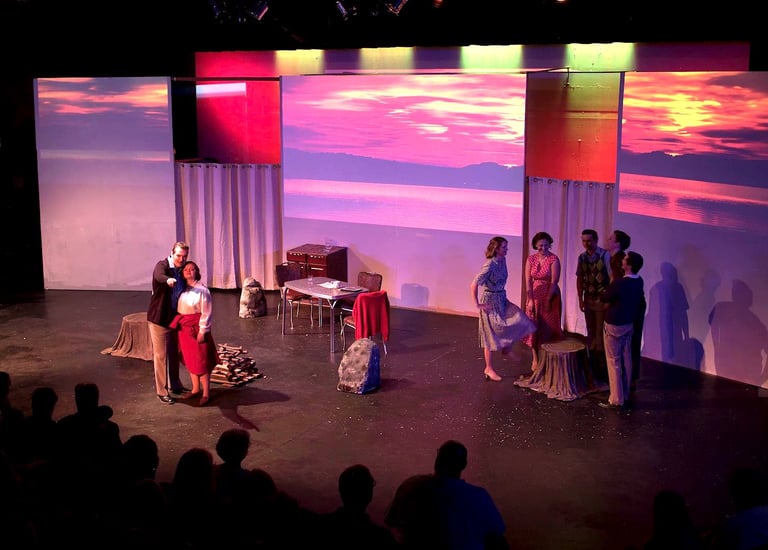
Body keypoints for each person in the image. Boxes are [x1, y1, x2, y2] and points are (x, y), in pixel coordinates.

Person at [385, 440, 507, 549]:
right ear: (464, 464)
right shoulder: (479, 496)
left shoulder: (412, 485)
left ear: (438, 459)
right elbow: (497, 532)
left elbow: (391, 520)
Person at [470, 236, 536, 382]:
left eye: (506, 247)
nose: (506, 250)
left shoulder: (503, 260)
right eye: (504, 247)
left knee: (519, 318)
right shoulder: (489, 265)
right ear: (496, 249)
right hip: (490, 302)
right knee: (490, 335)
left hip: (501, 298)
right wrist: (478, 304)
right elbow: (474, 284)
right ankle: (488, 368)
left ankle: (507, 348)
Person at [598, 251, 645, 409]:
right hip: (628, 323)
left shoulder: (620, 283)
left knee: (614, 361)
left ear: (629, 265)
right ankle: (624, 393)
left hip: (614, 324)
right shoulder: (639, 281)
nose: (622, 261)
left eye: (625, 260)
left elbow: (605, 297)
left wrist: (606, 288)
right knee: (626, 359)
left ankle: (616, 399)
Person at [147, 241, 191, 405]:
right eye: (179, 255)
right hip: (159, 318)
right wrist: (168, 280)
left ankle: (176, 385)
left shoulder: (183, 268)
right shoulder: (162, 265)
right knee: (160, 355)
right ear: (172, 253)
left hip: (174, 318)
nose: (181, 259)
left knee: (174, 353)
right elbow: (159, 276)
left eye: (184, 256)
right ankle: (162, 391)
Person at [171, 260, 219, 406]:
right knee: (190, 359)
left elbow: (206, 312)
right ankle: (195, 389)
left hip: (196, 328)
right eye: (186, 269)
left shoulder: (202, 290)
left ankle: (206, 393)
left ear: (197, 272)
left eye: (192, 269)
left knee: (202, 361)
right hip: (184, 329)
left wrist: (203, 331)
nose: (188, 271)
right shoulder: (182, 289)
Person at [318, 464, 399, 549]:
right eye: (371, 484)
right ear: (368, 492)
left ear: (341, 490)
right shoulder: (382, 537)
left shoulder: (319, 525)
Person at [605, 229, 646, 387]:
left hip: (630, 307)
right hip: (631, 305)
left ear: (617, 243)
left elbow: (618, 285)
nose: (607, 240)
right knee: (628, 345)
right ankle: (628, 379)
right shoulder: (615, 258)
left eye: (610, 238)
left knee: (629, 344)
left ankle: (626, 380)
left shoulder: (620, 260)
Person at [522, 231, 563, 371]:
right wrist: (530, 299)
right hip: (534, 295)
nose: (543, 248)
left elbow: (554, 281)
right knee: (533, 326)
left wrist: (548, 299)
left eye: (546, 245)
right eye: (540, 245)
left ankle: (549, 360)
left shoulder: (553, 259)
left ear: (549, 245)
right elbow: (528, 280)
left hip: (549, 296)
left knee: (548, 328)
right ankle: (535, 358)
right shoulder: (531, 259)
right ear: (535, 245)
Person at [576, 229, 611, 383]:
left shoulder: (604, 255)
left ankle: (601, 367)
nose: (586, 244)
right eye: (584, 241)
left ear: (596, 240)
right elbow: (580, 278)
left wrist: (608, 299)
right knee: (590, 330)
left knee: (599, 331)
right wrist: (580, 298)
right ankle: (592, 366)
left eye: (589, 240)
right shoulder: (582, 257)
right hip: (588, 298)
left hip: (601, 298)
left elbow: (610, 277)